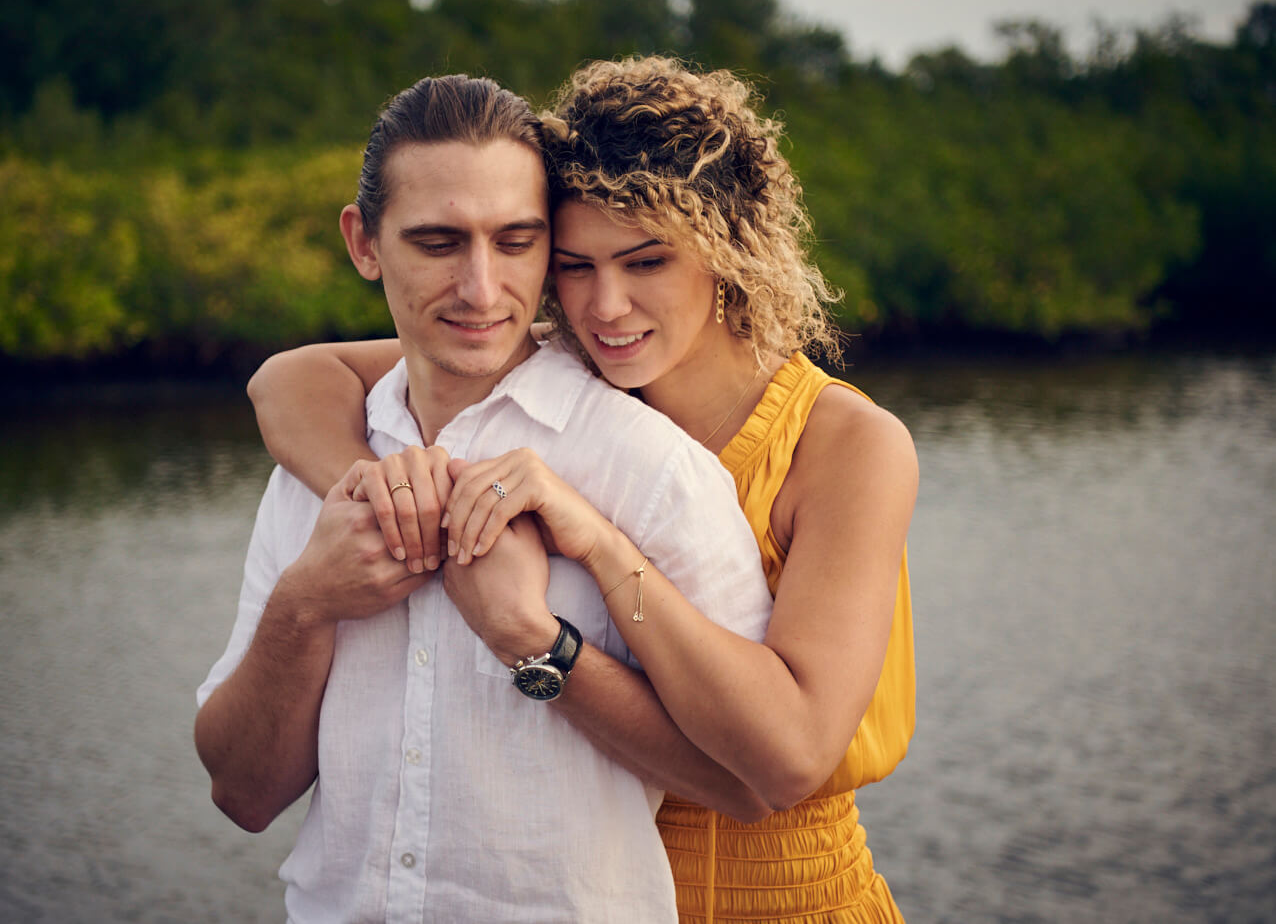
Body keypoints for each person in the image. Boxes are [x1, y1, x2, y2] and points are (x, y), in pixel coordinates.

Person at [249, 57, 918, 922]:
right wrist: (381, 498)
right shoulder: (562, 375)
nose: (606, 305)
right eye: (574, 265)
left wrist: (597, 551)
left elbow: (791, 755)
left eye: (647, 262)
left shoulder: (846, 445)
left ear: (728, 249)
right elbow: (289, 378)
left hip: (790, 893)